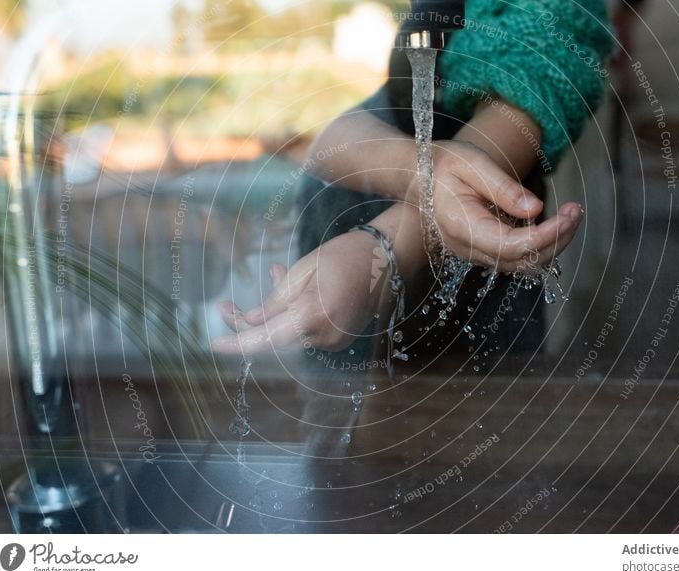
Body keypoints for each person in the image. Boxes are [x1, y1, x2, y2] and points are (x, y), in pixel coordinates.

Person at [212, 0, 615, 361]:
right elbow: (337, 129)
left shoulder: (535, 32)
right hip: (338, 266)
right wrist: (416, 174)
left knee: (466, 431)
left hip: (461, 305)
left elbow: (537, 72)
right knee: (347, 431)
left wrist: (379, 252)